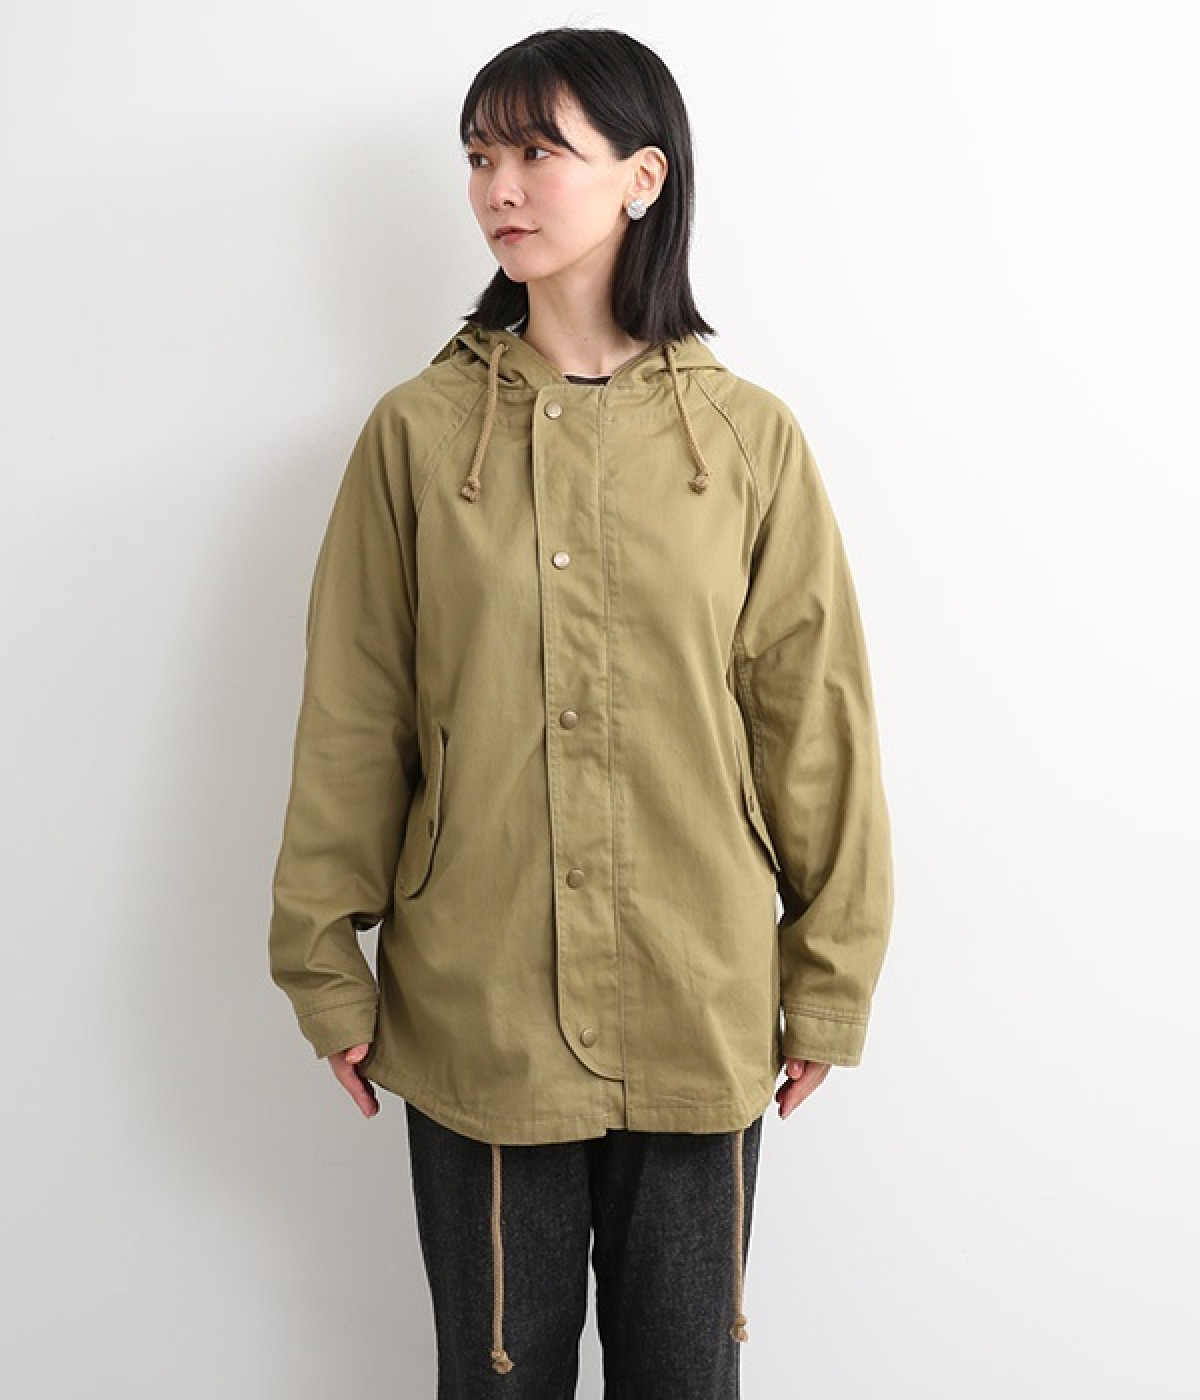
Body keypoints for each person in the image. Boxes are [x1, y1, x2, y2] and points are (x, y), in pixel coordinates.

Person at [268, 25, 894, 1399]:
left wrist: (829, 979)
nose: (498, 186)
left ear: (642, 178)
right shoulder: (418, 436)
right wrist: (323, 963)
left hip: (699, 993)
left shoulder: (747, 440)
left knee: (686, 1378)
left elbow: (816, 721)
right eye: (479, 156)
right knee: (495, 1378)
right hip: (477, 1002)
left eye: (537, 152)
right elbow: (356, 711)